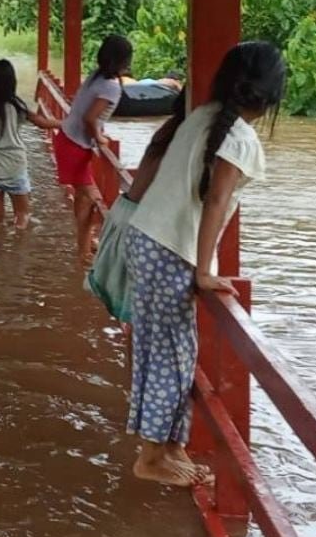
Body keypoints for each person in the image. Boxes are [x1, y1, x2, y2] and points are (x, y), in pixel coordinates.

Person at [119, 41, 285, 488]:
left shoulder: (202, 117)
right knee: (173, 358)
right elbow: (216, 200)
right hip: (170, 250)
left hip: (149, 241)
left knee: (168, 351)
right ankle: (151, 457)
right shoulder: (239, 137)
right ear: (270, 93)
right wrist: (204, 271)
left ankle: (169, 449)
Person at [53, 33, 132, 259]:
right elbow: (90, 118)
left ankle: (85, 245)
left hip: (68, 140)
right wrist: (99, 137)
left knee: (83, 197)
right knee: (92, 198)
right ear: (125, 61)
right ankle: (87, 250)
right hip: (76, 146)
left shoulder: (95, 77)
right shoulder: (111, 86)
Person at [0, 59, 55, 228]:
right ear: (11, 83)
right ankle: (18, 247)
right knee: (23, 215)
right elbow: (41, 122)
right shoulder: (16, 106)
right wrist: (65, 123)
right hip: (15, 165)